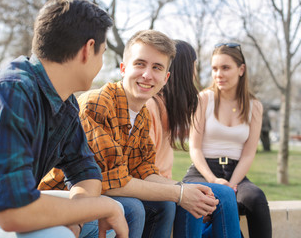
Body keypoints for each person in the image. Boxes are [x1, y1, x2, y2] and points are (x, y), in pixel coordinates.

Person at [0, 0, 129, 237]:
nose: (102, 64)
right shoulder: (10, 91)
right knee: (58, 233)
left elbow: (85, 172)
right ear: (87, 49)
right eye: (102, 53)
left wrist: (77, 217)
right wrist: (100, 206)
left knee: (112, 214)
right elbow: (13, 211)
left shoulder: (65, 103)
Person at [39, 30, 239, 238]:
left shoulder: (141, 114)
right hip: (62, 200)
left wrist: (186, 189)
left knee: (164, 206)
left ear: (165, 78)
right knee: (132, 209)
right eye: (140, 64)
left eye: (157, 67)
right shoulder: (97, 104)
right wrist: (179, 193)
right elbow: (113, 181)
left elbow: (144, 170)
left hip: (97, 197)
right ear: (124, 68)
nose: (147, 75)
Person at [146, 40, 241, 237]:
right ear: (185, 70)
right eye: (195, 67)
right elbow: (144, 171)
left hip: (165, 187)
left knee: (220, 196)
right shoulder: (152, 107)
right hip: (152, 190)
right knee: (221, 194)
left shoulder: (168, 109)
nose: (196, 75)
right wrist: (182, 191)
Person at [184, 42, 272, 238]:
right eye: (214, 68)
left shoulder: (254, 106)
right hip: (202, 171)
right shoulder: (204, 99)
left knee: (255, 198)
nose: (218, 74)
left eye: (225, 68)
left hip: (236, 173)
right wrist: (214, 180)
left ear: (241, 70)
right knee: (219, 200)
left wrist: (232, 184)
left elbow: (249, 153)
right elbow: (195, 148)